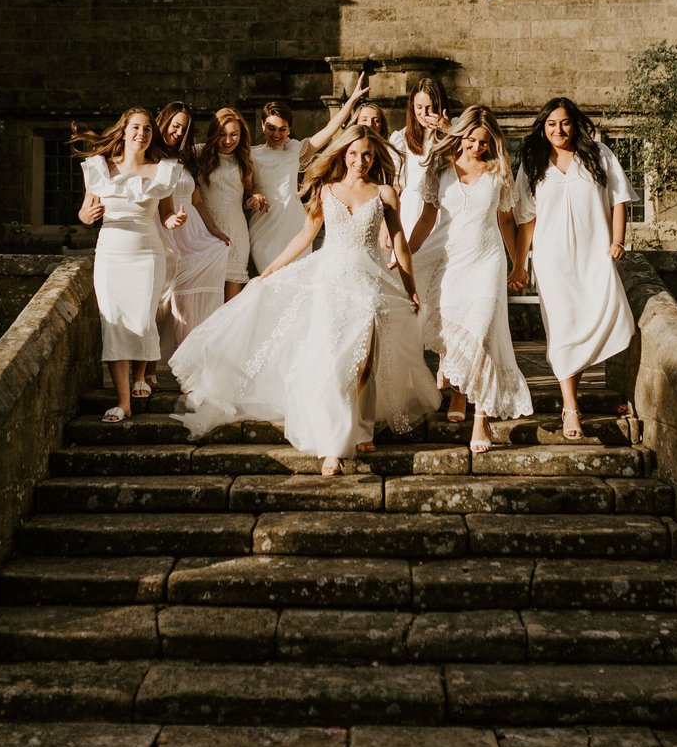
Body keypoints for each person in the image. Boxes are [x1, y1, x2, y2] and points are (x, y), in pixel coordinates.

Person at [170, 125, 441, 475]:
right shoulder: (327, 190)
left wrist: (411, 286)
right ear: (344, 155)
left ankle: (362, 426)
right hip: (331, 281)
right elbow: (305, 233)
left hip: (370, 284)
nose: (360, 160)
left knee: (364, 363)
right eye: (354, 153)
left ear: (375, 158)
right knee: (337, 360)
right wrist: (272, 269)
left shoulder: (386, 193)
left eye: (367, 154)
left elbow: (401, 244)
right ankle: (334, 446)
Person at [509, 97, 637, 441]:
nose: (558, 130)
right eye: (551, 124)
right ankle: (570, 406)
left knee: (596, 318)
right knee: (563, 329)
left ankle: (574, 399)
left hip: (595, 254)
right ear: (542, 127)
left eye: (564, 122)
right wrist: (519, 264)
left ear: (575, 123)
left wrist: (618, 240)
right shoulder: (533, 162)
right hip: (552, 259)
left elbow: (619, 199)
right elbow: (526, 220)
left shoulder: (599, 154)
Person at [409, 105, 533, 453]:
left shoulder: (499, 172)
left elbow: (507, 221)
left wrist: (517, 264)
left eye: (483, 142)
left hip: (486, 262)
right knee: (457, 336)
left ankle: (481, 419)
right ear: (459, 134)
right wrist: (404, 253)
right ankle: (459, 397)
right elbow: (425, 220)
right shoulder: (439, 168)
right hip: (451, 261)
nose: (476, 147)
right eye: (470, 139)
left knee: (480, 334)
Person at [73, 107, 186, 423]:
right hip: (111, 253)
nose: (142, 133)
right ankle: (123, 401)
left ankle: (141, 375)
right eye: (136, 128)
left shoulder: (163, 170)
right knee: (114, 321)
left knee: (142, 316)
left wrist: (173, 219)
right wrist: (87, 216)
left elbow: (165, 213)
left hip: (148, 253)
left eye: (148, 129)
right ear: (123, 131)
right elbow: (85, 211)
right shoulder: (101, 168)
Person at [248, 75, 372, 274]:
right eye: (271, 128)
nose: (277, 134)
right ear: (263, 125)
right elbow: (247, 186)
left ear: (289, 130)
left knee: (297, 279)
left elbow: (329, 131)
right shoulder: (251, 154)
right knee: (269, 280)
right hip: (264, 226)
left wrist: (351, 101)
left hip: (294, 224)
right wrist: (254, 194)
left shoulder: (295, 150)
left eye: (282, 129)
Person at [149, 102, 229, 377]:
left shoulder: (185, 159)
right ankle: (163, 357)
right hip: (166, 227)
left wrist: (214, 229)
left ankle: (196, 353)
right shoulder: (152, 155)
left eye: (183, 128)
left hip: (192, 227)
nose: (178, 132)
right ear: (164, 122)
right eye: (175, 125)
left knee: (215, 254)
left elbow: (196, 199)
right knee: (168, 291)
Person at [196, 107, 267, 302]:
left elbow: (247, 193)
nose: (228, 141)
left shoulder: (245, 160)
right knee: (204, 300)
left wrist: (255, 198)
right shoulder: (198, 153)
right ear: (214, 134)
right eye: (222, 135)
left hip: (235, 235)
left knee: (230, 305)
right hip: (204, 233)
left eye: (234, 134)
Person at [389, 77, 451, 238]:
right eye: (419, 107)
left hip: (444, 205)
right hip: (412, 208)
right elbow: (394, 185)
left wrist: (447, 130)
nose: (423, 114)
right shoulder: (402, 138)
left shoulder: (454, 129)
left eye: (429, 107)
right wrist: (386, 224)